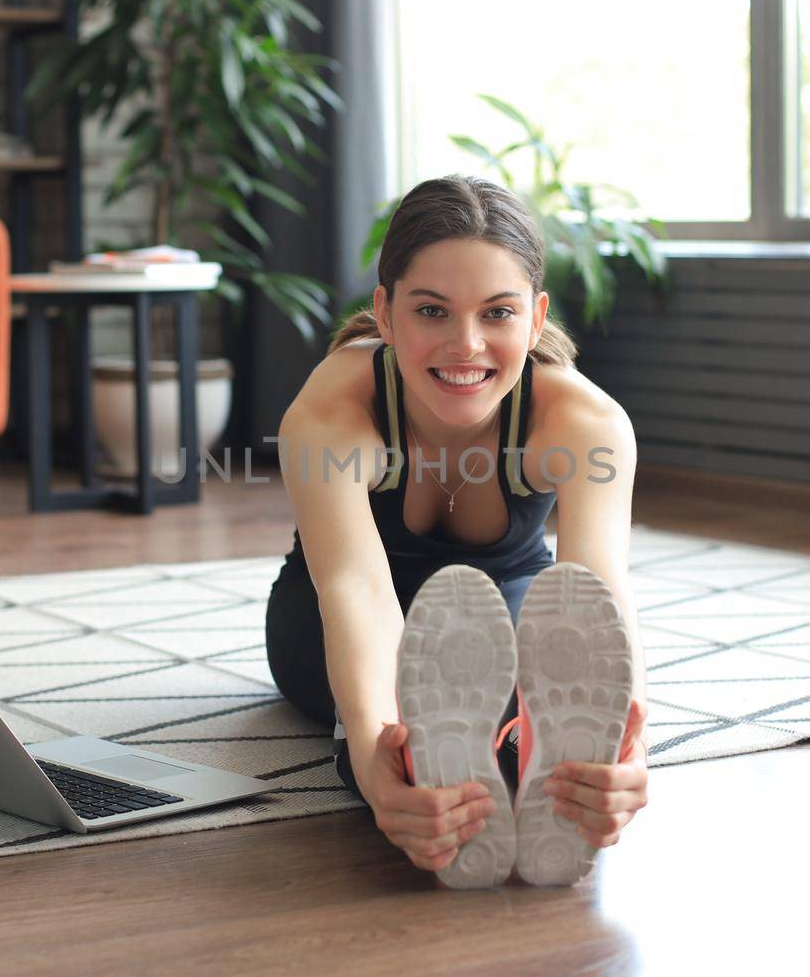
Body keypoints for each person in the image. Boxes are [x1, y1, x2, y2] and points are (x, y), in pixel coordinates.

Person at [264, 174, 648, 882]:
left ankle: (553, 773)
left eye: (496, 313)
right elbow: (357, 591)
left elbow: (599, 591)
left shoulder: (585, 421)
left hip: (505, 600)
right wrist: (374, 764)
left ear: (535, 319)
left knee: (537, 654)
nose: (465, 345)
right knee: (411, 696)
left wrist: (628, 746)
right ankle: (423, 767)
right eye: (432, 311)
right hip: (331, 615)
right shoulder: (331, 411)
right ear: (385, 312)